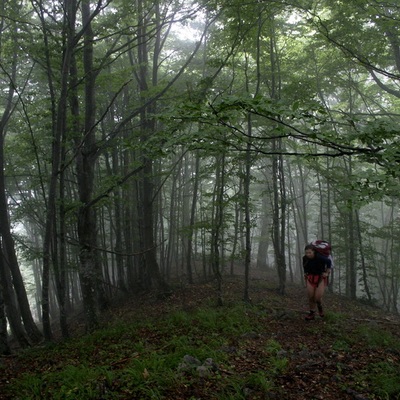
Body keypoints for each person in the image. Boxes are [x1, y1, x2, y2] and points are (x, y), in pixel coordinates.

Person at [303, 244, 332, 320]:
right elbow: (305, 267)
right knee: (311, 297)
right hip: (310, 278)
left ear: (314, 252)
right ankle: (312, 313)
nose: (308, 254)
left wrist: (327, 272)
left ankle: (320, 307)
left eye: (310, 252)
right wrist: (305, 273)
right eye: (306, 253)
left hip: (320, 278)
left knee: (318, 298)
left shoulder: (319, 257)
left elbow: (329, 262)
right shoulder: (304, 258)